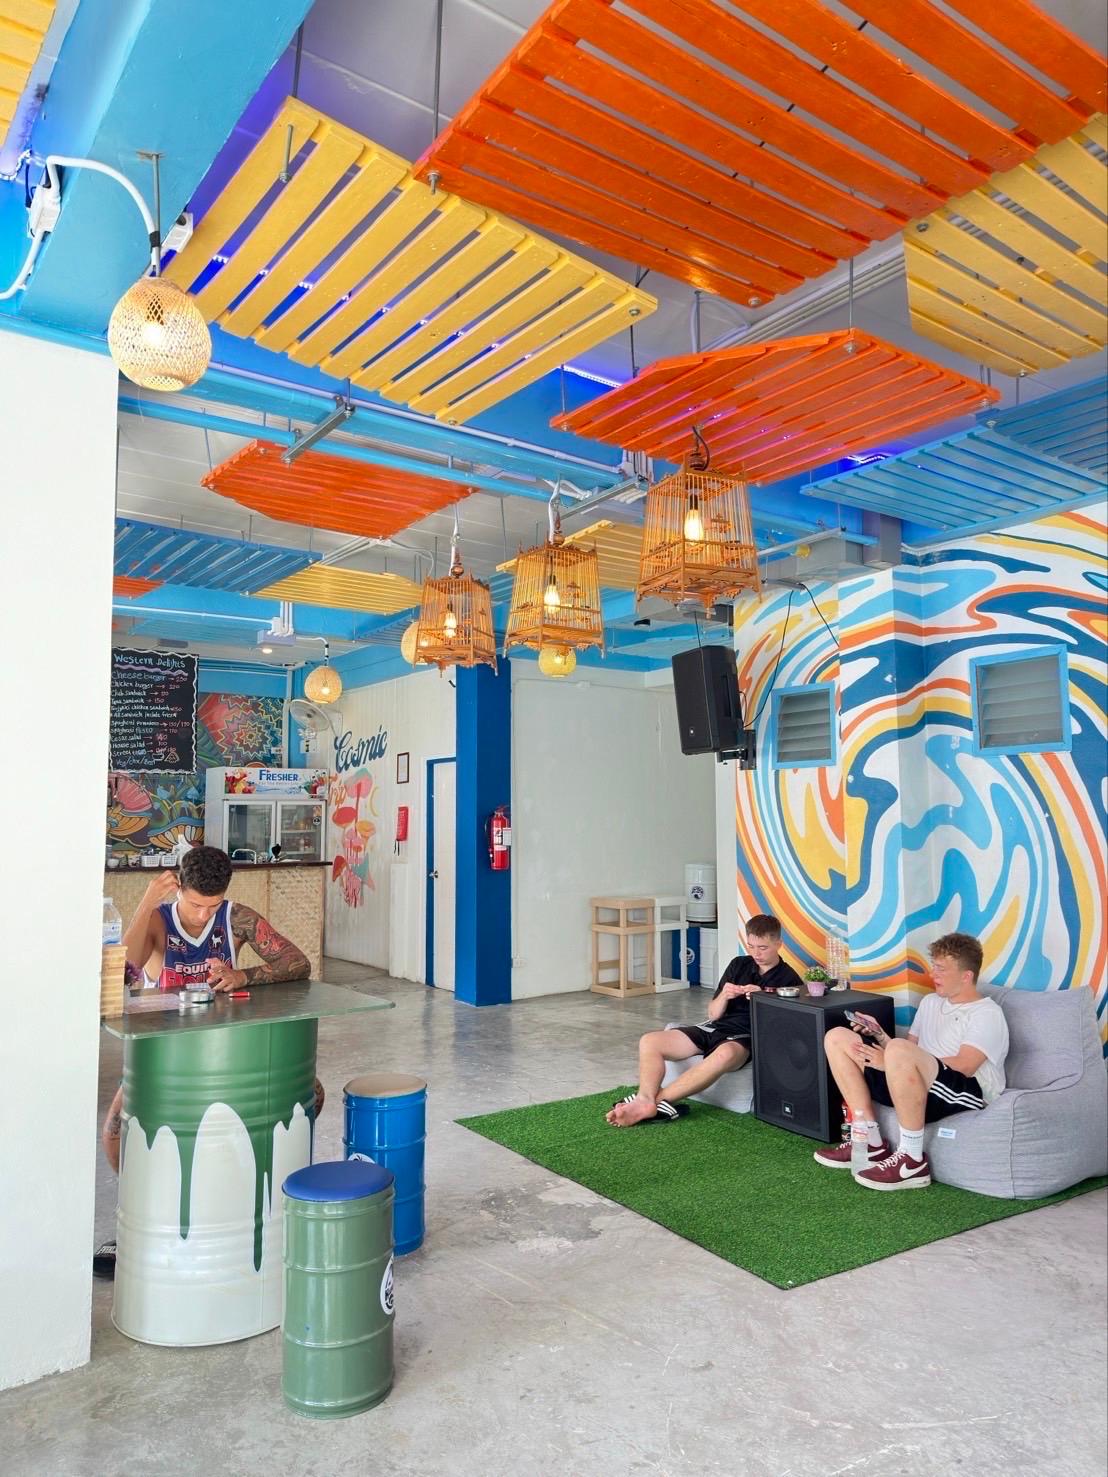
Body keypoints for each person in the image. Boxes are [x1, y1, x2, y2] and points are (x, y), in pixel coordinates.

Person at [96, 846, 320, 1277]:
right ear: (178, 888)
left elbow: (297, 962)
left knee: (309, 1095)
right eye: (195, 904)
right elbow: (125, 969)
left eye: (211, 906)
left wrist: (243, 975)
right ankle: (141, 1218)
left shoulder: (236, 918)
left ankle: (247, 1205)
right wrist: (147, 900)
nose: (202, 915)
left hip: (225, 1049)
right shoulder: (159, 919)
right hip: (165, 1051)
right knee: (115, 1131)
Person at [813, 931, 1009, 1190]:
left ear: (966, 976)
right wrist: (880, 1036)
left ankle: (912, 1160)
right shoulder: (930, 1002)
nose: (932, 974)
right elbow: (909, 1052)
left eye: (941, 969)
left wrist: (890, 1059)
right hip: (917, 1082)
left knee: (897, 1049)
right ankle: (869, 1140)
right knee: (837, 1037)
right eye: (933, 967)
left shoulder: (987, 1013)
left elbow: (965, 1065)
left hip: (963, 1090)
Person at [606, 914, 802, 1126]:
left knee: (725, 1054)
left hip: (744, 1037)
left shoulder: (790, 980)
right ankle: (644, 1099)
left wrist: (763, 997)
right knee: (650, 1040)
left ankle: (657, 1101)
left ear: (779, 944)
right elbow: (713, 1015)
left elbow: (783, 1029)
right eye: (751, 946)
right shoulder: (739, 964)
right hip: (715, 1028)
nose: (756, 953)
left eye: (763, 948)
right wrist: (724, 995)